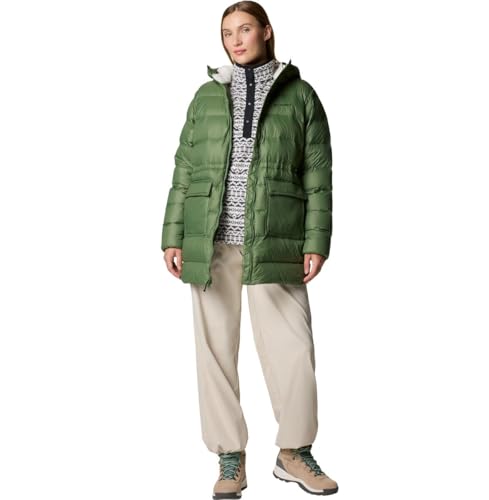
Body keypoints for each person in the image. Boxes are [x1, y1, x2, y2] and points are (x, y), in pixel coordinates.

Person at [161, 1, 337, 498]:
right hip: (210, 238)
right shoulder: (205, 96)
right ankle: (230, 457)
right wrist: (173, 234)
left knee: (293, 350)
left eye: (244, 29)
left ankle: (294, 452)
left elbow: (318, 174)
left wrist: (316, 240)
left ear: (266, 31)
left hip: (275, 237)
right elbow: (184, 169)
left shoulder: (301, 96)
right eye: (227, 33)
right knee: (214, 352)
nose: (235, 40)